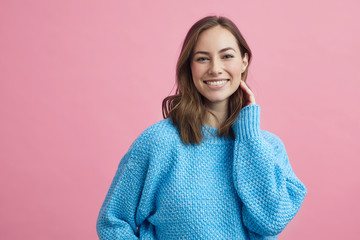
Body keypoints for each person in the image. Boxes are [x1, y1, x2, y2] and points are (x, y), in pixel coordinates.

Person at [96, 15, 307, 240]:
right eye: (202, 59)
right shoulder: (159, 143)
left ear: (244, 62)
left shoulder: (269, 148)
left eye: (227, 56)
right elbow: (113, 222)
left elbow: (270, 221)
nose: (215, 69)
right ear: (190, 66)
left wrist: (249, 136)